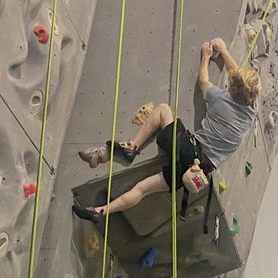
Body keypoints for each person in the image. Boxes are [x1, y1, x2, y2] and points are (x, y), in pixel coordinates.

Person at [74, 38, 261, 220]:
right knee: (142, 189)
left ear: (232, 86)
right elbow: (239, 79)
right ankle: (100, 212)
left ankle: (132, 146)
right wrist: (226, 53)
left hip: (188, 149)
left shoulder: (220, 99)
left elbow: (203, 81)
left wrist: (206, 56)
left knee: (163, 110)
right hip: (197, 172)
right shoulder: (251, 110)